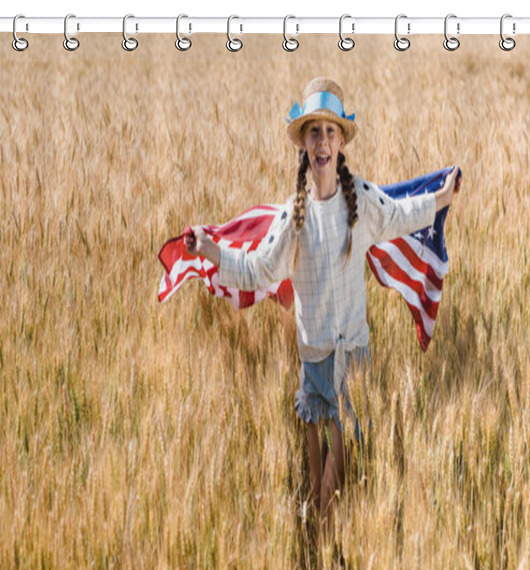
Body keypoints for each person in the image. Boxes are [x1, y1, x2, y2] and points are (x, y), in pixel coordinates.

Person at [185, 77, 460, 530]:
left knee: (335, 481)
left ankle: (329, 563)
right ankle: (317, 563)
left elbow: (399, 216)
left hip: (352, 356)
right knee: (317, 488)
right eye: (314, 132)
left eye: (331, 132)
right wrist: (210, 250)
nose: (323, 142)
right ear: (304, 146)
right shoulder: (293, 216)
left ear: (341, 144)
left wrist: (442, 199)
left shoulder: (363, 203)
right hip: (313, 358)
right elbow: (258, 271)